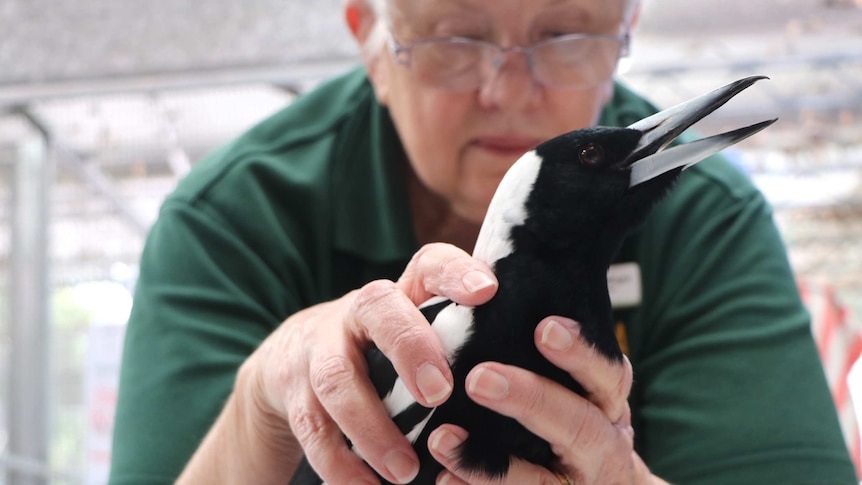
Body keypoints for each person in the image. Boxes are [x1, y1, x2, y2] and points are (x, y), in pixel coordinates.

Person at [108, 0, 858, 483]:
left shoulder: (708, 216)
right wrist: (260, 406)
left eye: (565, 32)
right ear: (371, 39)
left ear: (625, 30)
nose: (507, 87)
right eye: (454, 34)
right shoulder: (229, 216)